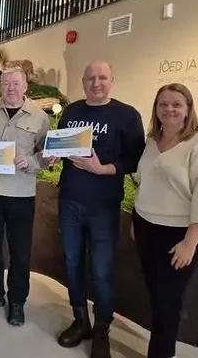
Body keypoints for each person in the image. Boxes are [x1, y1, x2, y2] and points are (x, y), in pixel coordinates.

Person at [54, 61, 145, 358]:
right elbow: (62, 148)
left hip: (104, 206)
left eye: (102, 77)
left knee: (102, 270)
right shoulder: (72, 112)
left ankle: (102, 328)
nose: (96, 83)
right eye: (90, 78)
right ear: (83, 82)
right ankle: (81, 320)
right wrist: (54, 155)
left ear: (112, 80)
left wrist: (102, 169)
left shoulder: (127, 116)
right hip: (70, 201)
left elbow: (134, 160)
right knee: (72, 263)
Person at [132, 83, 198, 358]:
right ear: (156, 109)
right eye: (163, 104)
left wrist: (190, 242)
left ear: (188, 109)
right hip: (146, 228)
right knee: (156, 298)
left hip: (179, 236)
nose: (169, 109)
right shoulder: (151, 141)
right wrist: (137, 220)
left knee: (167, 303)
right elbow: (144, 183)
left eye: (176, 104)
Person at [0, 68, 50, 326]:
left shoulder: (39, 116)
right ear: (0, 86)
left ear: (25, 86)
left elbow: (46, 153)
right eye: (6, 83)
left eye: (16, 84)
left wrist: (30, 161)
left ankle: (17, 300)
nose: (11, 88)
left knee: (20, 250)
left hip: (21, 193)